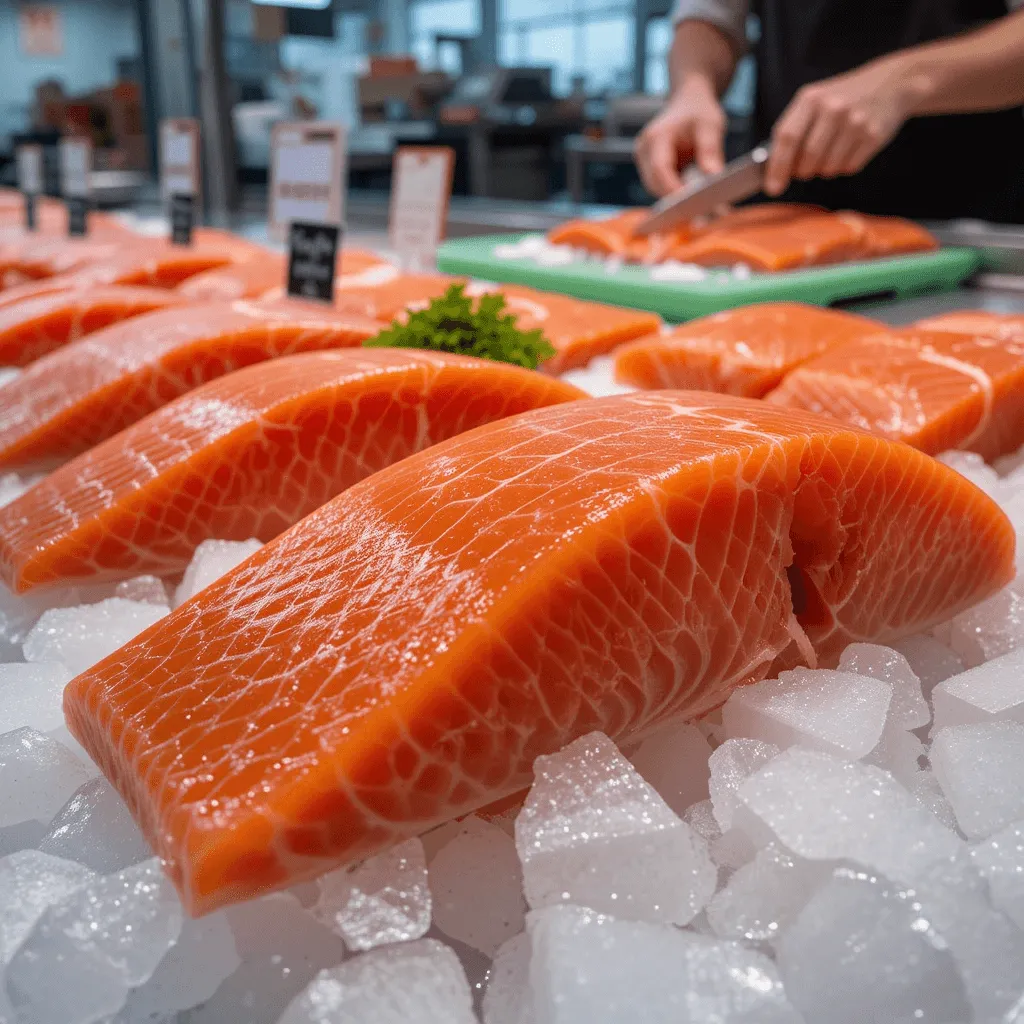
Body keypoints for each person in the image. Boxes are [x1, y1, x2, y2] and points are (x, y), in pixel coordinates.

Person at [634, 2, 1024, 222]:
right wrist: (691, 87)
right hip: (786, 211)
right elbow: (709, 17)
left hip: (967, 210)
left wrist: (907, 81)